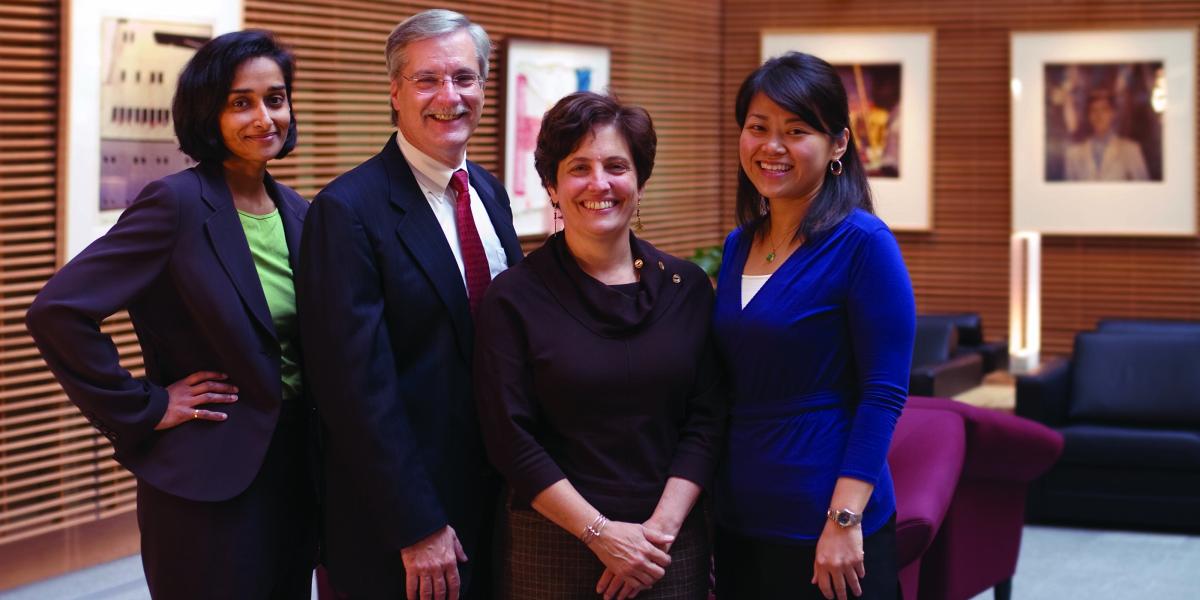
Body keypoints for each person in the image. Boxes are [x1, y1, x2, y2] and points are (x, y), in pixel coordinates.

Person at [25, 30, 315, 598]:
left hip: (296, 471)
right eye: (241, 102)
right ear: (208, 113)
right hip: (207, 480)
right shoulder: (175, 204)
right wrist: (147, 405)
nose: (265, 117)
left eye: (275, 99)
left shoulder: (300, 212)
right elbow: (57, 311)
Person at [296, 9, 522, 600]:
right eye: (427, 80)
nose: (449, 96)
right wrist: (417, 524)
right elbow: (354, 394)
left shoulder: (490, 194)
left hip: (495, 499)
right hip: (401, 522)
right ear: (395, 93)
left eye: (464, 78)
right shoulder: (348, 211)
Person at [474, 91, 726, 600]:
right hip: (551, 544)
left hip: (667, 548)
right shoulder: (514, 297)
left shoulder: (688, 287)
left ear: (640, 180)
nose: (599, 184)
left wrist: (656, 533)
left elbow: (708, 419)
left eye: (616, 166)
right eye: (578, 168)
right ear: (552, 185)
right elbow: (510, 440)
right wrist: (602, 534)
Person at [711, 52, 915, 600]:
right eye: (758, 128)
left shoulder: (865, 244)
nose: (771, 147)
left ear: (839, 145)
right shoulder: (738, 245)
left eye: (795, 131)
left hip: (828, 527)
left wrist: (844, 520)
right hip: (740, 518)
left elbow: (884, 393)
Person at [1064, 89, 1149, 181]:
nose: (1098, 115)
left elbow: (1143, 189)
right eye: (1093, 110)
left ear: (1113, 114)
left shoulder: (1130, 150)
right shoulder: (1074, 154)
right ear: (1088, 115)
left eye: (1104, 110)